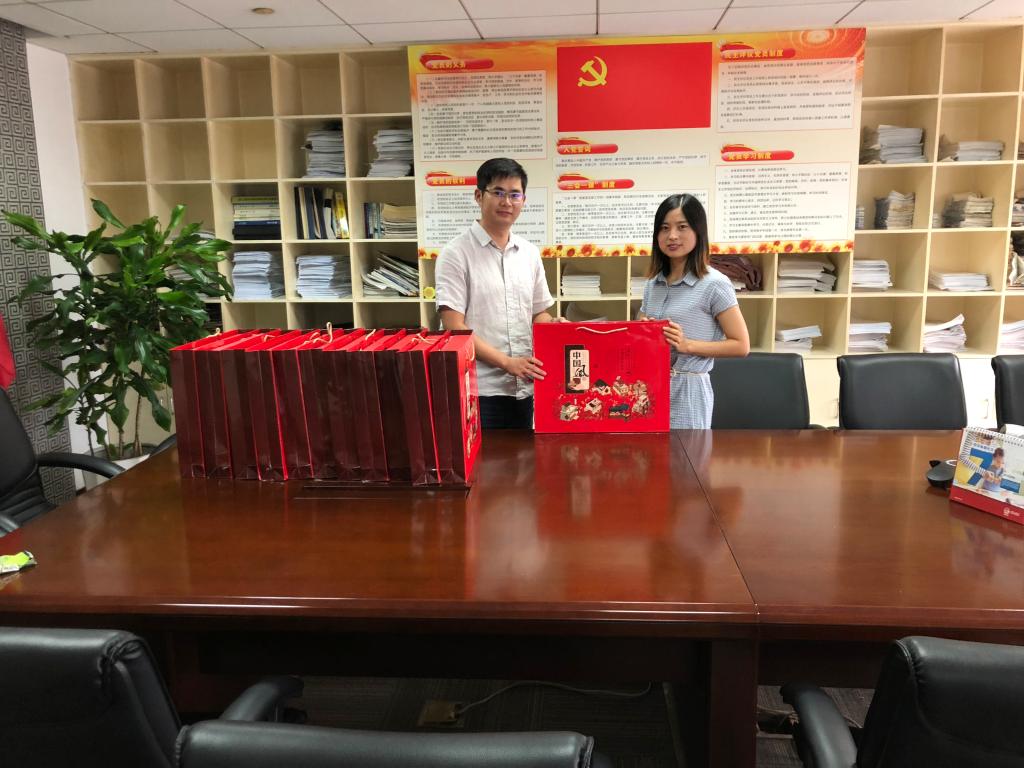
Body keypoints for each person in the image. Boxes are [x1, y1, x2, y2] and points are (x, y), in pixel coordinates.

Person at [435, 158, 557, 429]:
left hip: (525, 385)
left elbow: (539, 313)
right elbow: (454, 326)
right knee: (485, 458)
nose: (507, 202)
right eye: (498, 192)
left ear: (523, 200)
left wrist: (555, 327)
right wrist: (506, 363)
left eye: (515, 194)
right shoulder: (456, 254)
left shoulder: (529, 253)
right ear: (479, 196)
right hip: (480, 391)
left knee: (524, 457)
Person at [637, 193, 749, 428]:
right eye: (664, 228)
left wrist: (687, 345)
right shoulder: (653, 284)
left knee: (688, 452)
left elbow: (741, 345)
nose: (672, 235)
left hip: (688, 393)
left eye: (682, 227)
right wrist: (643, 329)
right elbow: (640, 336)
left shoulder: (714, 284)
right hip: (649, 390)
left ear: (698, 231)